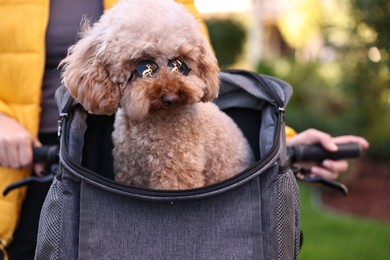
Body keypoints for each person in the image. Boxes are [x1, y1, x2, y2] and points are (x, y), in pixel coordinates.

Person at [0, 1, 369, 259]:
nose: (170, 85)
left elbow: (211, 76)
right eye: (146, 68)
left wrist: (284, 145)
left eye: (178, 64)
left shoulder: (172, 15)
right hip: (41, 155)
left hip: (194, 211)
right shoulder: (104, 47)